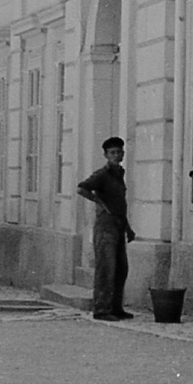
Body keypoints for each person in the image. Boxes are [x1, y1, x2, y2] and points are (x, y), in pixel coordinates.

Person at [77, 136, 136, 321]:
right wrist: (98, 201)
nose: (116, 155)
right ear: (105, 155)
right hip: (105, 226)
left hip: (118, 224)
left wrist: (128, 228)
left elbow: (120, 204)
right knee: (106, 268)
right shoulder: (102, 174)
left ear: (123, 153)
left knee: (120, 268)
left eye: (119, 152)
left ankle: (116, 308)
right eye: (112, 153)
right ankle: (102, 310)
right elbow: (81, 188)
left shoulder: (119, 174)